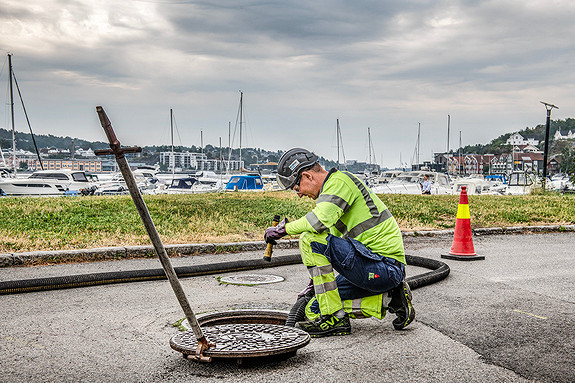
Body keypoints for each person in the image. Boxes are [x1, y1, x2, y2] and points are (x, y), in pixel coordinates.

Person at [265, 148, 414, 337]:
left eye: (297, 188)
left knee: (308, 238)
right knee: (313, 307)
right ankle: (391, 299)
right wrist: (313, 285)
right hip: (371, 266)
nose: (299, 194)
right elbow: (325, 251)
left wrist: (282, 230)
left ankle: (335, 317)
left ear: (307, 176)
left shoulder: (340, 182)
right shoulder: (331, 197)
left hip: (384, 266)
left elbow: (316, 223)